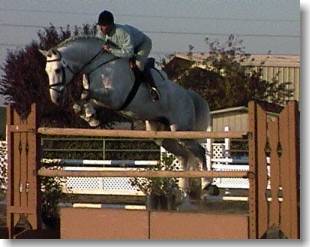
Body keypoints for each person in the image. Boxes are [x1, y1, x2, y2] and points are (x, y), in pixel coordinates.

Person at [96, 10, 160, 101]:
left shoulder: (121, 32)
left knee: (138, 65)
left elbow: (129, 53)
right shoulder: (101, 33)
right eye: (100, 25)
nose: (102, 29)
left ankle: (153, 88)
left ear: (111, 25)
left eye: (104, 26)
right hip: (125, 48)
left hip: (142, 45)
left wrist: (110, 50)